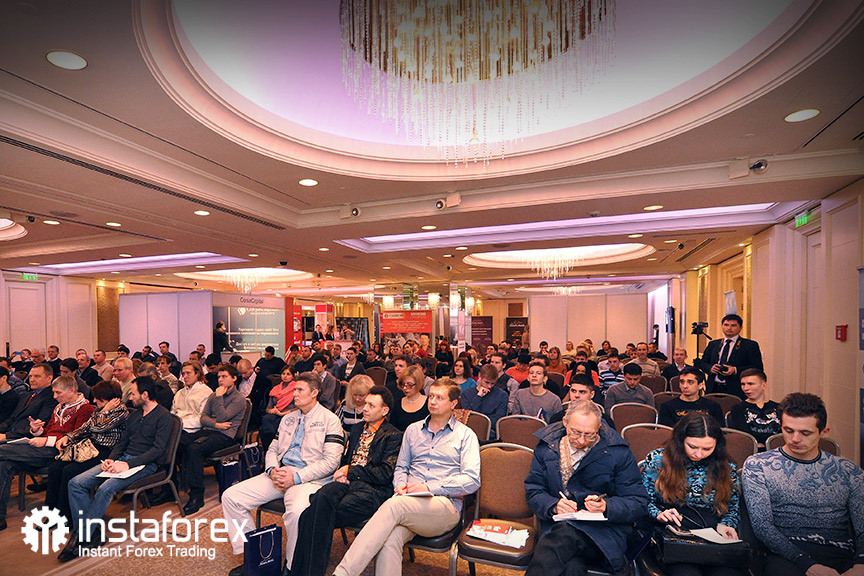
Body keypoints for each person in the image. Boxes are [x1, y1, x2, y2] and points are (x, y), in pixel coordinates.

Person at [332, 379, 480, 576]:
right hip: (408, 501)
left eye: (440, 398)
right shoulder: (413, 430)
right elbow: (401, 467)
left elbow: (472, 480)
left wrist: (429, 488)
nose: (433, 401)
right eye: (431, 396)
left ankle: (343, 573)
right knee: (390, 538)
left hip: (444, 506)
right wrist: (400, 485)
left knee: (394, 506)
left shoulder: (465, 436)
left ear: (453, 403)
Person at [221, 371, 345, 576]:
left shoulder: (330, 420)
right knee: (231, 497)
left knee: (296, 512)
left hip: (309, 478)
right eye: (294, 389)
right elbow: (272, 449)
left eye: (299, 390)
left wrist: (296, 477)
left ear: (314, 392)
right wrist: (271, 470)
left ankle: (291, 566)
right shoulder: (288, 418)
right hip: (280, 472)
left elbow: (331, 463)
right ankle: (254, 557)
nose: (294, 394)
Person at [742, 393, 864, 576]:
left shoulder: (849, 471)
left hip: (840, 552)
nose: (795, 439)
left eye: (805, 433)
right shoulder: (759, 465)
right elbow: (763, 526)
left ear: (824, 432)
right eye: (788, 430)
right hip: (785, 553)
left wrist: (861, 564)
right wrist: (807, 564)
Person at [524, 400, 649, 576]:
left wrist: (606, 506)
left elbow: (638, 502)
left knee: (564, 535)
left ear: (599, 427)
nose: (582, 441)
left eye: (589, 435)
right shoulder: (548, 446)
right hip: (558, 530)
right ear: (565, 422)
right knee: (571, 568)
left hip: (603, 533)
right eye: (575, 433)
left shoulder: (617, 452)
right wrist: (554, 505)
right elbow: (534, 490)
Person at [291, 386, 402, 576]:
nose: (364, 408)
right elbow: (346, 459)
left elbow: (384, 473)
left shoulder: (393, 436)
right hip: (346, 483)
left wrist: (350, 471)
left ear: (384, 411)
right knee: (320, 502)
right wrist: (343, 471)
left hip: (371, 490)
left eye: (371, 405)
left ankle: (300, 572)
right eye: (365, 403)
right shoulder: (358, 429)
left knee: (311, 515)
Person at [61, 377, 174, 561]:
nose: (130, 397)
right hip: (122, 460)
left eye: (133, 394)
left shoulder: (164, 417)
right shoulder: (136, 415)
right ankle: (92, 533)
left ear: (145, 395)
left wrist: (128, 464)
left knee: (105, 488)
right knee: (76, 483)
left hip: (145, 465)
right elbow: (122, 442)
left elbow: (157, 451)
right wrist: (111, 459)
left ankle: (81, 536)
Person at [641, 413, 742, 576]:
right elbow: (643, 501)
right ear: (680, 440)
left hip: (712, 533)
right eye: (692, 447)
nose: (699, 454)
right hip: (673, 533)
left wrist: (727, 524)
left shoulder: (726, 466)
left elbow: (732, 507)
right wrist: (659, 514)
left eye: (707, 449)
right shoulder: (658, 460)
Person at [0, 375, 94, 530]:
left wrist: (45, 441)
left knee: (2, 451)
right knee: (4, 464)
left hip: (59, 451)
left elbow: (76, 437)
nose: (55, 396)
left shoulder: (85, 409)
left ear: (72, 390)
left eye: (58, 393)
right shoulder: (60, 406)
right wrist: (37, 430)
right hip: (44, 447)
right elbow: (49, 430)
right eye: (54, 392)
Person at [44, 380, 128, 525]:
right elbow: (85, 427)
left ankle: (66, 517)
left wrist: (105, 411)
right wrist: (68, 436)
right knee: (55, 468)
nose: (95, 401)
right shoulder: (99, 410)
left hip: (106, 452)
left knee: (69, 471)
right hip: (90, 447)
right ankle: (52, 514)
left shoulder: (121, 412)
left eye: (99, 399)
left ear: (110, 399)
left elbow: (98, 427)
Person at [178, 363, 247, 515]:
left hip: (226, 436)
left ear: (234, 378)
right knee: (179, 441)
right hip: (210, 430)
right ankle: (174, 487)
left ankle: (197, 495)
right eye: (219, 377)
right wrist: (216, 424)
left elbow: (223, 416)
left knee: (194, 449)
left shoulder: (238, 399)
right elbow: (203, 418)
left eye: (224, 377)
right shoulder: (214, 395)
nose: (220, 380)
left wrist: (219, 397)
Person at [696, 314, 763, 398]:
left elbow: (757, 367)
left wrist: (735, 370)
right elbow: (702, 363)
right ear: (722, 326)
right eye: (726, 325)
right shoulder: (713, 344)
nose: (729, 328)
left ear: (740, 328)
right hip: (713, 387)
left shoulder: (749, 345)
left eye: (733, 325)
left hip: (736, 388)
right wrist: (711, 368)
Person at [0, 363, 58, 441]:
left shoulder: (52, 397)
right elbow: (12, 419)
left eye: (37, 376)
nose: (32, 380)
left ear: (49, 378)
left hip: (26, 438)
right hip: (10, 434)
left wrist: (7, 436)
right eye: (30, 376)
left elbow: (40, 425)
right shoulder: (26, 395)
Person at [725, 369, 780, 444]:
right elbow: (743, 435)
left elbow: (783, 434)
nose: (746, 388)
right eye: (743, 384)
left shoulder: (779, 407)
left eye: (750, 384)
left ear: (763, 385)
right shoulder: (737, 408)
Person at [657, 367, 724, 427]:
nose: (685, 386)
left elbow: (718, 433)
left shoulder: (713, 407)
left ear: (700, 385)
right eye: (682, 382)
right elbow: (665, 433)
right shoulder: (667, 407)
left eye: (690, 382)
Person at [460, 364, 508, 439]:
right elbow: (467, 417)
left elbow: (498, 419)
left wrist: (479, 421)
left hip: (490, 432)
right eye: (486, 382)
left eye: (492, 383)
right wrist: (478, 397)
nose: (489, 386)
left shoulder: (502, 395)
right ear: (480, 376)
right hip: (468, 431)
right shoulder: (466, 394)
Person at [259, 364, 297, 450]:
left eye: (288, 374)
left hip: (289, 415)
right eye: (283, 374)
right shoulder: (275, 389)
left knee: (270, 428)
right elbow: (268, 409)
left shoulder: (296, 389)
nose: (285, 376)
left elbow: (297, 408)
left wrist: (281, 413)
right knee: (266, 419)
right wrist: (271, 410)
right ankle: (270, 447)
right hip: (275, 414)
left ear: (293, 376)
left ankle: (271, 447)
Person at [171, 361, 213, 433]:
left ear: (197, 374)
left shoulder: (206, 392)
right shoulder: (179, 393)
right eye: (183, 374)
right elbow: (173, 412)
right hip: (175, 427)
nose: (185, 376)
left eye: (188, 373)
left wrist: (180, 424)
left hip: (193, 430)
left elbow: (202, 418)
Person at [389, 365, 429, 431]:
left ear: (418, 383)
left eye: (409, 384)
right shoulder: (397, 405)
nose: (405, 388)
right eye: (403, 384)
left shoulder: (429, 404)